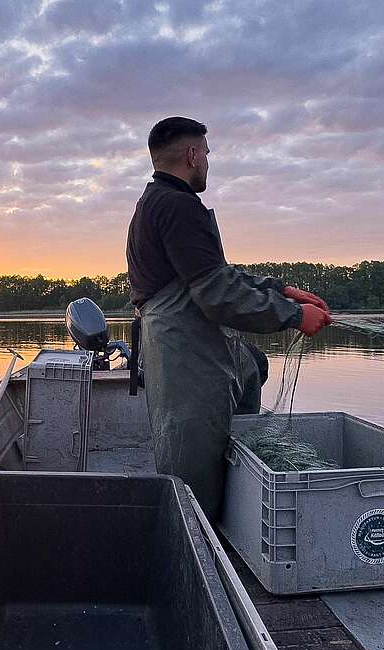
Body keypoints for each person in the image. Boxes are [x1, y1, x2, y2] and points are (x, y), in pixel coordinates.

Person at [126, 116, 331, 519]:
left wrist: (279, 289)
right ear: (191, 154)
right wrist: (292, 315)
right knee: (191, 454)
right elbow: (217, 294)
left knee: (251, 366)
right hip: (183, 350)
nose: (207, 161)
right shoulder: (177, 206)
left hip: (188, 338)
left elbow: (217, 274)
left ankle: (233, 516)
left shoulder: (160, 203)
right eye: (206, 152)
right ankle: (197, 541)